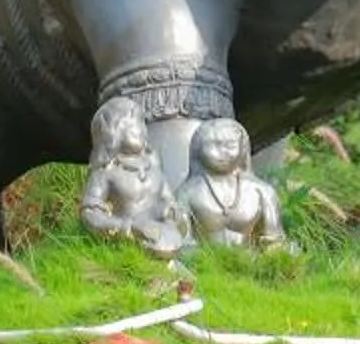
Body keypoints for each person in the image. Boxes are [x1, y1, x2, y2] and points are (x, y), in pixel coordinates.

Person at [78, 96, 186, 255]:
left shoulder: (153, 166)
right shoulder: (106, 171)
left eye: (141, 122)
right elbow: (90, 214)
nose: (139, 129)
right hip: (126, 247)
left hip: (161, 240)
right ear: (110, 132)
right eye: (129, 124)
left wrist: (172, 214)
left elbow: (167, 201)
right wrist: (127, 227)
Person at [178, 117, 285, 251]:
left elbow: (274, 240)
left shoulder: (262, 192)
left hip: (250, 264)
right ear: (198, 149)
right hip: (201, 265)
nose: (221, 153)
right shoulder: (187, 192)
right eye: (212, 145)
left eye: (230, 145)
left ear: (243, 147)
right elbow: (182, 242)